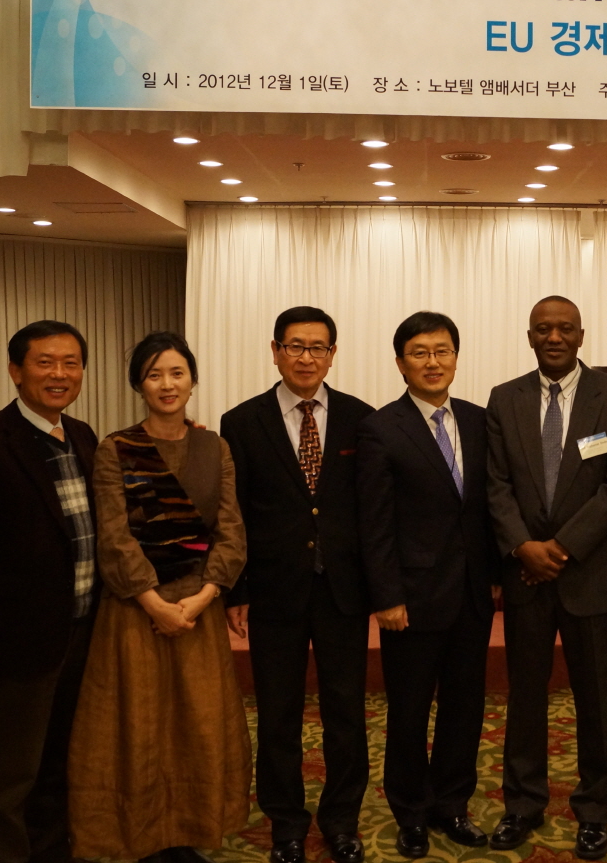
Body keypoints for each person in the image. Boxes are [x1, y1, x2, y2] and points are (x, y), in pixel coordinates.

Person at [68, 332, 250, 863]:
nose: (167, 384)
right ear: (139, 385)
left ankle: (185, 831)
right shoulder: (115, 449)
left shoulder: (214, 448)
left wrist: (204, 596)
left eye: (176, 373)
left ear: (192, 380)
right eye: (154, 375)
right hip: (134, 612)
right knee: (138, 727)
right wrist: (153, 603)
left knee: (196, 727)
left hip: (198, 610)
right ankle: (139, 835)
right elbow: (113, 535)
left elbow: (231, 530)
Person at [485, 295, 607, 860]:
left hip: (590, 575)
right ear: (529, 336)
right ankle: (522, 804)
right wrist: (523, 547)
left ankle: (594, 811)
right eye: (543, 328)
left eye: (565, 328)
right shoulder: (504, 398)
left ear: (581, 335)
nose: (554, 337)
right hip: (526, 575)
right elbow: (496, 484)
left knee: (596, 701)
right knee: (524, 698)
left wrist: (562, 547)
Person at [219, 307, 375, 863]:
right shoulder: (242, 422)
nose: (306, 357)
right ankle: (285, 822)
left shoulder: (361, 418)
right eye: (295, 346)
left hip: (342, 593)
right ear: (275, 351)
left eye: (317, 347)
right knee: (278, 715)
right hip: (273, 591)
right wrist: (236, 591)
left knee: (345, 714)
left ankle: (341, 820)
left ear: (332, 355)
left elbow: (369, 509)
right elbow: (233, 513)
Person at [0, 320, 99, 863]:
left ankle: (51, 851)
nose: (59, 374)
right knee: (7, 773)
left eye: (71, 363)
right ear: (16, 370)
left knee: (57, 760)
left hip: (80, 630)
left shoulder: (82, 436)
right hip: (18, 637)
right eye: (45, 362)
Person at [358, 312, 499, 859]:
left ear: (456, 358)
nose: (433, 362)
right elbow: (375, 523)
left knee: (465, 708)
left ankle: (452, 804)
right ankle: (411, 812)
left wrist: (493, 578)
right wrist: (387, 597)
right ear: (400, 363)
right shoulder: (381, 428)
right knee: (410, 712)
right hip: (411, 601)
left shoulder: (479, 420)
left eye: (442, 351)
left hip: (471, 595)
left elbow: (485, 507)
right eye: (420, 352)